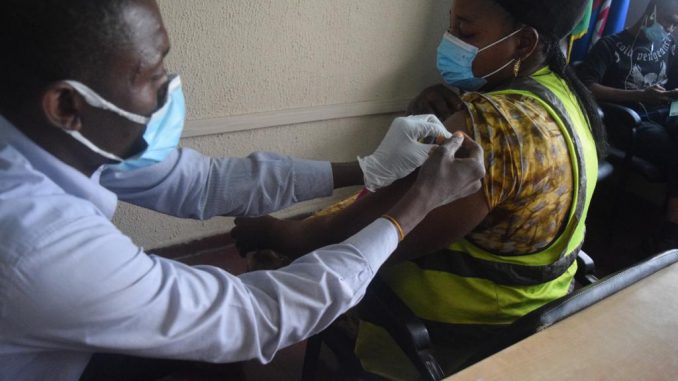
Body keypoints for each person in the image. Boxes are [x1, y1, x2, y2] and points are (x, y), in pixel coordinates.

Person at [0, 1, 487, 380]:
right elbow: (259, 315)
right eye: (150, 76)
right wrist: (418, 202)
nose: (170, 87)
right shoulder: (38, 247)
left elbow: (202, 182)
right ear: (67, 104)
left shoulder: (44, 132)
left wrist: (367, 167)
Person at [232, 0, 606, 378]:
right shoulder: (565, 96)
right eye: (450, 25)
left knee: (277, 257)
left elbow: (369, 234)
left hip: (458, 335)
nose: (449, 41)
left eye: (466, 31)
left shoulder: (492, 130)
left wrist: (276, 232)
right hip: (537, 310)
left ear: (524, 42)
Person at [576, 0, 678, 251]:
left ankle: (670, 229)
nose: (670, 30)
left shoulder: (668, 43)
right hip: (630, 121)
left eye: (675, 25)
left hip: (664, 113)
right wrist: (641, 95)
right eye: (668, 22)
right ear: (651, 13)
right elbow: (586, 86)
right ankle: (670, 231)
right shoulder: (610, 46)